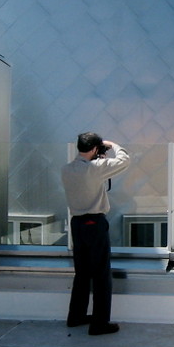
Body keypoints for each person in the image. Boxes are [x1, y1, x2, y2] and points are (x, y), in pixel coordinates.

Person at [61, 132, 130, 335]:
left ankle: (76, 315)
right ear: (93, 149)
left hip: (77, 224)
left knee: (82, 273)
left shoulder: (66, 170)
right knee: (101, 274)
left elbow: (86, 170)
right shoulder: (96, 168)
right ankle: (99, 323)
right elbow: (124, 160)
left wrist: (97, 154)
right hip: (94, 223)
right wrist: (112, 144)